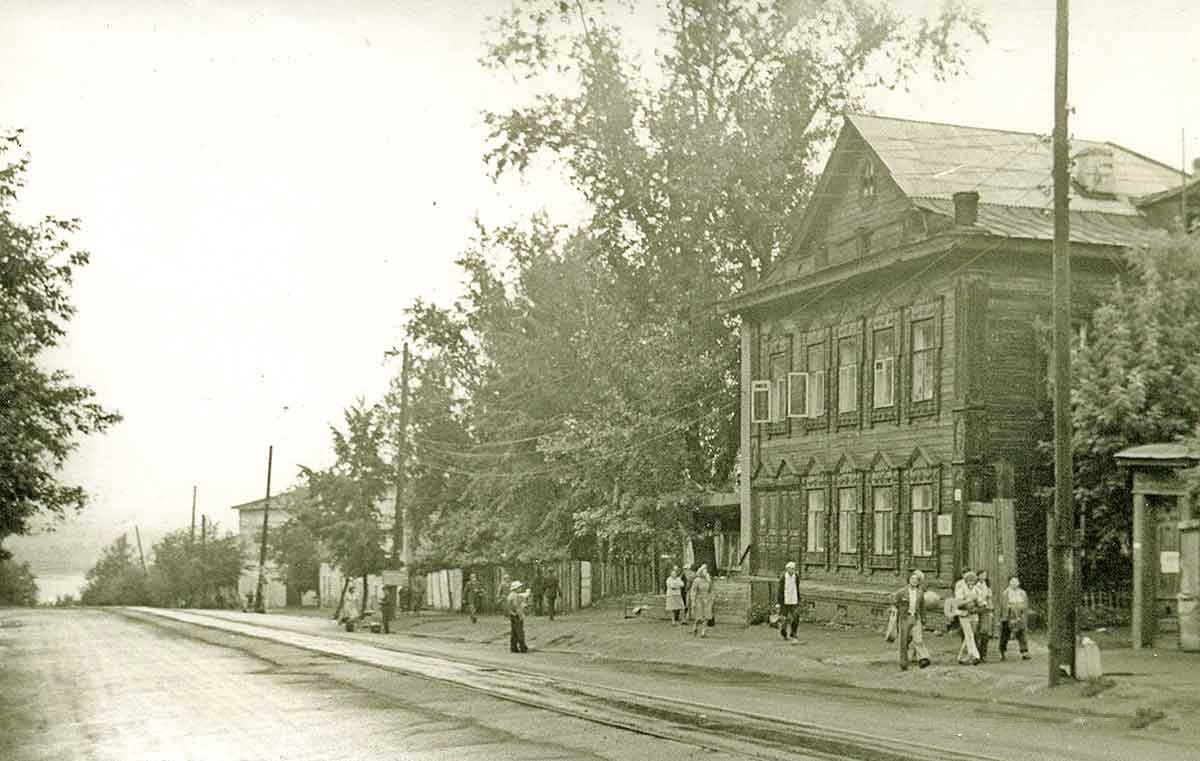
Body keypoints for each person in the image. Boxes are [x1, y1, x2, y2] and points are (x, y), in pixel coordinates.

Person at [894, 569, 932, 670]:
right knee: (903, 641)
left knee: (918, 639)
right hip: (904, 618)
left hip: (916, 617)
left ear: (919, 582)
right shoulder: (901, 592)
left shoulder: (920, 593)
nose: (914, 581)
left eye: (916, 580)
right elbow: (894, 601)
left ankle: (923, 658)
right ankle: (903, 663)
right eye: (912, 579)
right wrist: (895, 608)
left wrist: (924, 619)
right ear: (908, 580)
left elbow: (922, 607)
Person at [953, 570, 982, 665]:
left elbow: (980, 602)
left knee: (970, 636)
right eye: (969, 580)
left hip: (974, 614)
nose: (971, 582)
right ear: (965, 581)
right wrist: (969, 600)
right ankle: (975, 655)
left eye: (973, 581)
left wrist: (980, 602)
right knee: (969, 634)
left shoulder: (977, 589)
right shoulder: (961, 588)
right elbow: (958, 602)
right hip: (964, 614)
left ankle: (961, 657)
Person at [999, 576, 1031, 661]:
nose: (1014, 583)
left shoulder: (1022, 593)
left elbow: (1025, 604)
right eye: (1012, 581)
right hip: (1009, 614)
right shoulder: (1006, 592)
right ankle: (1003, 651)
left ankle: (1024, 651)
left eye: (1016, 581)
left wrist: (1023, 614)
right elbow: (1003, 605)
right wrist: (1005, 617)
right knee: (1005, 634)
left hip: (1020, 614)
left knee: (1022, 633)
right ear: (1009, 583)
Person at [776, 561, 801, 642]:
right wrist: (779, 602)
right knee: (784, 619)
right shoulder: (783, 577)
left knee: (796, 616)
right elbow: (780, 591)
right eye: (791, 569)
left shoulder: (796, 576)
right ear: (787, 569)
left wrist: (798, 599)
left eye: (794, 569)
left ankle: (793, 633)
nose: (793, 570)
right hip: (785, 600)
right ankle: (783, 632)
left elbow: (797, 588)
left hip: (794, 599)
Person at [688, 564, 715, 638]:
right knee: (699, 617)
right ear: (701, 572)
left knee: (706, 616)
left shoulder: (708, 580)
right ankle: (695, 627)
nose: (705, 572)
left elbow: (710, 590)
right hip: (699, 600)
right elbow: (693, 591)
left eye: (706, 571)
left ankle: (703, 632)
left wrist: (712, 597)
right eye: (704, 571)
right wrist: (693, 600)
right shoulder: (697, 580)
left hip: (707, 600)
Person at [506, 580, 531, 653]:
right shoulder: (516, 596)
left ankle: (513, 647)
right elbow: (517, 607)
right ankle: (523, 647)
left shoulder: (510, 595)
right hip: (517, 615)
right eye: (519, 587)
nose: (520, 588)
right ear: (516, 588)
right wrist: (521, 615)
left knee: (514, 632)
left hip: (512, 615)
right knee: (520, 632)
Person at [974, 569, 994, 661]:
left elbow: (989, 598)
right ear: (978, 576)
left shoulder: (987, 586)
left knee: (985, 631)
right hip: (977, 609)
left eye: (985, 575)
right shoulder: (975, 586)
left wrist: (990, 609)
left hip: (985, 609)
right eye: (982, 575)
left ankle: (983, 654)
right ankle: (976, 653)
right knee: (976, 631)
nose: (983, 577)